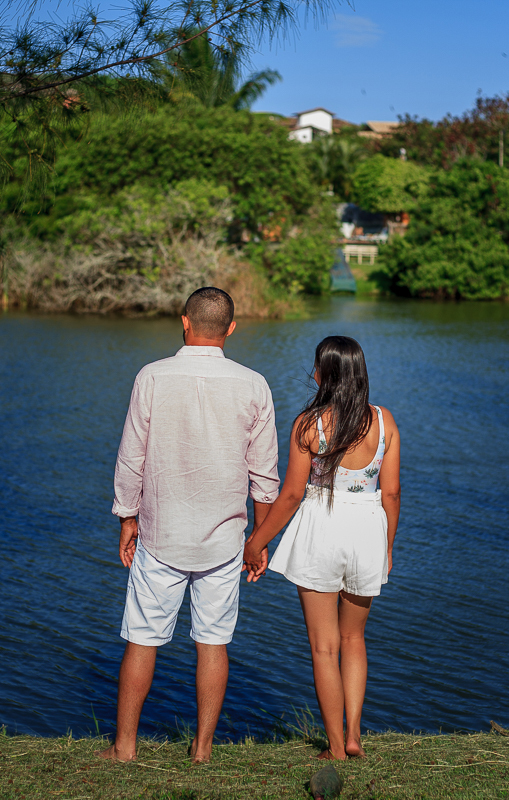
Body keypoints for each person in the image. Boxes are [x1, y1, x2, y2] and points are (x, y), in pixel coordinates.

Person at [100, 287, 280, 764]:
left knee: (142, 639)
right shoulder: (254, 385)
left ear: (184, 322)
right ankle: (201, 750)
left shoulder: (152, 376)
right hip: (225, 540)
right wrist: (259, 542)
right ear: (231, 329)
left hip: (161, 534)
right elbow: (264, 478)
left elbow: (131, 457)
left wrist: (127, 517)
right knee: (213, 643)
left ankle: (125, 747)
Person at [243, 335, 400, 761]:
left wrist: (257, 542)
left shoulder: (308, 425)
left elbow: (292, 494)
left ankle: (334, 747)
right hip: (367, 533)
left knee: (324, 647)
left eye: (317, 367)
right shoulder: (384, 421)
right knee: (354, 638)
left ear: (326, 375)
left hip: (321, 531)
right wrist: (386, 548)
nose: (312, 373)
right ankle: (354, 736)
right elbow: (391, 494)